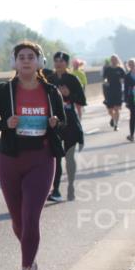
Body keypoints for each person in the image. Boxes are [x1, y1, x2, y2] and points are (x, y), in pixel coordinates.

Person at [0, 41, 66, 270]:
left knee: (31, 219)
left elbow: (63, 123)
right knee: (18, 221)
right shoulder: (4, 90)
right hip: (10, 159)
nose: (26, 60)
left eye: (31, 56)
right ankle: (31, 254)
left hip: (41, 159)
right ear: (14, 62)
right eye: (21, 57)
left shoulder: (51, 92)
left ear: (40, 62)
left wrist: (55, 123)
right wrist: (5, 123)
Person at [47, 51, 86, 201]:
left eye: (61, 61)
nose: (58, 63)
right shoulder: (49, 80)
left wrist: (69, 94)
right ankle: (55, 190)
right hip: (55, 123)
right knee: (56, 157)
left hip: (70, 122)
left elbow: (82, 100)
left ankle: (70, 186)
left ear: (67, 64)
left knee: (69, 157)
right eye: (56, 60)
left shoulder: (73, 79)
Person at [104, 54, 126, 131]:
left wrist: (122, 81)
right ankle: (113, 118)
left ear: (117, 60)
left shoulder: (120, 69)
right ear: (111, 60)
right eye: (112, 59)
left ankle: (116, 125)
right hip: (109, 91)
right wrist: (106, 81)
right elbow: (104, 78)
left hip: (118, 91)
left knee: (116, 109)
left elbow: (124, 79)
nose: (113, 60)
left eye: (115, 59)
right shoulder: (108, 69)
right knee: (110, 110)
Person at [124, 58, 135, 142]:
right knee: (132, 116)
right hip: (132, 98)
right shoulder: (127, 76)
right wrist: (126, 100)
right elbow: (125, 88)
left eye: (133, 64)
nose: (131, 65)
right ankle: (131, 135)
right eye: (130, 64)